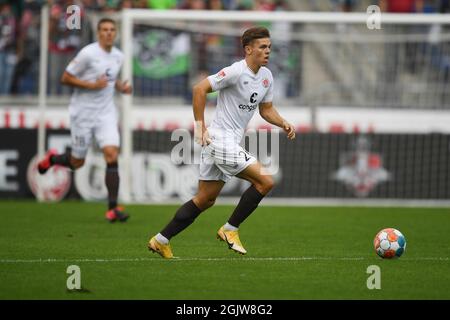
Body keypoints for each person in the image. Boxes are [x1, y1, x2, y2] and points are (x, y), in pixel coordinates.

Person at [148, 27, 296, 259]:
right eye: (262, 47)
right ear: (248, 49)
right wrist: (200, 126)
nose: (267, 51)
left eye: (269, 47)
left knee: (205, 199)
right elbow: (200, 89)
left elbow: (266, 110)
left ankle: (160, 240)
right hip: (219, 139)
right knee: (265, 182)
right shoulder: (236, 71)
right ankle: (230, 229)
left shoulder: (267, 76)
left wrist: (283, 122)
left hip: (228, 142)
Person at [37, 18, 132, 223]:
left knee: (111, 153)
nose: (108, 33)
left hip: (106, 113)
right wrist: (92, 86)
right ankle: (52, 159)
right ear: (98, 33)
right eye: (104, 30)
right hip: (83, 114)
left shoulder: (118, 56)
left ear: (115, 33)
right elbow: (65, 78)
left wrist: (120, 87)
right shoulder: (88, 53)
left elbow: (109, 77)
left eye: (112, 30)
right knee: (77, 162)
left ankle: (112, 208)